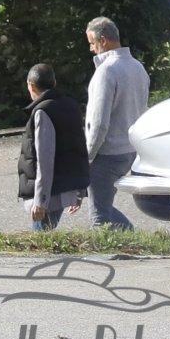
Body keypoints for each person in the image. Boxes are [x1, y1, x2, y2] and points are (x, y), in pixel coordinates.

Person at [73, 16, 150, 229]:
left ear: (103, 41)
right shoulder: (138, 67)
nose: (91, 49)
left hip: (107, 153)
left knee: (99, 217)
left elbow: (98, 124)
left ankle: (117, 245)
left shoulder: (106, 71)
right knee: (103, 206)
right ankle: (131, 236)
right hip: (130, 151)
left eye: (92, 43)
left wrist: (87, 157)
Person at [18, 64, 90, 231]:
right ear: (54, 82)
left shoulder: (43, 112)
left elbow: (45, 159)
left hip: (50, 196)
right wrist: (79, 191)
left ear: (31, 86)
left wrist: (40, 201)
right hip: (67, 187)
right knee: (44, 237)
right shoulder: (71, 106)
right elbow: (79, 150)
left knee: (40, 240)